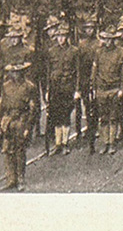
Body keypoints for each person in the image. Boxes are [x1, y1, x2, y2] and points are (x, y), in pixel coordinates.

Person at [0, 62, 38, 191]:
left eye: (18, 72)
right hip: (8, 121)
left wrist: (28, 127)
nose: (15, 75)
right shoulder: (6, 86)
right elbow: (1, 106)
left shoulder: (29, 87)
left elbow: (33, 110)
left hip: (21, 120)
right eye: (13, 72)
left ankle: (21, 179)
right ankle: (11, 179)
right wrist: (0, 124)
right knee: (8, 150)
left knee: (20, 151)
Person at [91, 25, 123, 154]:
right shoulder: (98, 52)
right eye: (106, 39)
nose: (108, 42)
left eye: (111, 39)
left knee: (113, 117)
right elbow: (94, 71)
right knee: (103, 118)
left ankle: (112, 142)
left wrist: (121, 89)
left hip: (114, 88)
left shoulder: (121, 52)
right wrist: (94, 88)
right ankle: (105, 142)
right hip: (101, 89)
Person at [43, 23, 79, 155]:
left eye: (63, 36)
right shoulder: (51, 51)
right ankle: (57, 143)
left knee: (66, 116)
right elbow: (48, 72)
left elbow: (77, 72)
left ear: (67, 37)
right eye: (58, 36)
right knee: (56, 116)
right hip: (55, 88)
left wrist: (77, 90)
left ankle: (65, 143)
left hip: (68, 87)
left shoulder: (74, 51)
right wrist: (47, 90)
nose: (61, 39)